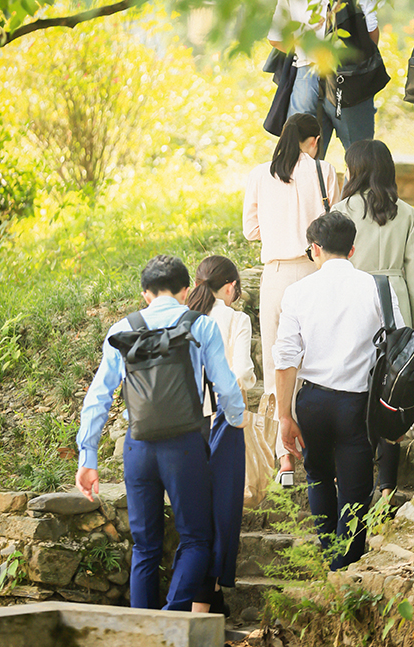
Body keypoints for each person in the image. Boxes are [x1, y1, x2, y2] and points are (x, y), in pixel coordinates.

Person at [75, 255, 244, 612]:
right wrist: (237, 417)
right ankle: (170, 619)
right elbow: (226, 386)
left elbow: (97, 398)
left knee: (145, 546)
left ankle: (144, 630)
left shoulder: (121, 329)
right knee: (197, 539)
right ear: (186, 291)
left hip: (137, 447)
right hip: (184, 446)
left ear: (145, 294)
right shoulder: (200, 325)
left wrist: (87, 456)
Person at [273, 211, 405, 570]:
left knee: (317, 475)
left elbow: (285, 359)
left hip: (313, 400)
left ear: (315, 249)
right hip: (358, 403)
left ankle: (328, 545)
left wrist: (284, 415)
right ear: (352, 249)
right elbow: (399, 345)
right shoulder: (377, 287)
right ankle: (346, 561)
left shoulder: (297, 292)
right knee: (355, 485)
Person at [243, 113, 339, 483]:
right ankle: (317, 449)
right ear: (313, 141)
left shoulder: (258, 174)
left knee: (275, 360)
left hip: (277, 274)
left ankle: (283, 458)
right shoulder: (323, 171)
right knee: (316, 360)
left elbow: (251, 230)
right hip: (315, 270)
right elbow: (333, 223)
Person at [332, 139, 414, 501]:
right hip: (394, 301)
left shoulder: (340, 211)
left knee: (354, 383)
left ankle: (352, 477)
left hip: (352, 300)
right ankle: (387, 483)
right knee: (391, 388)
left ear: (354, 170)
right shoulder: (408, 213)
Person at [268, 0, 381, 154]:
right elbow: (371, 29)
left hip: (305, 79)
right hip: (349, 78)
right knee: (360, 157)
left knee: (302, 163)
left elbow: (276, 39)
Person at [186, 255, 256, 612]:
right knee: (223, 512)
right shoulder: (236, 319)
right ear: (230, 287)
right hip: (225, 422)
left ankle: (208, 597)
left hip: (186, 426)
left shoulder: (184, 320)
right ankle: (203, 603)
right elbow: (241, 370)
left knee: (195, 513)